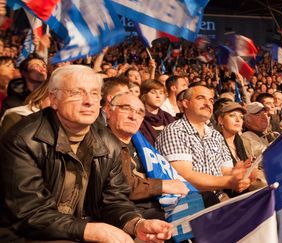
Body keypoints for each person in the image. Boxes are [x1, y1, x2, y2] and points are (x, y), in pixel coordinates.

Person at [0, 65, 171, 242]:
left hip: (79, 229)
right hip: (26, 235)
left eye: (95, 94)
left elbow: (114, 199)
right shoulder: (24, 140)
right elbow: (29, 213)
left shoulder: (108, 142)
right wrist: (91, 230)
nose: (89, 101)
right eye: (77, 93)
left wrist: (136, 224)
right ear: (54, 99)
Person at [156, 85, 250, 199]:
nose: (208, 103)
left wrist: (241, 174)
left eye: (211, 100)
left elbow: (225, 171)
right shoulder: (175, 131)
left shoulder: (216, 135)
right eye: (201, 98)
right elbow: (184, 176)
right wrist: (229, 181)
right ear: (185, 103)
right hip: (188, 201)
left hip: (217, 198)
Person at [106, 93, 189, 219]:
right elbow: (120, 185)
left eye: (139, 113)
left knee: (205, 199)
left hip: (156, 203)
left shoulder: (141, 144)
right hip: (129, 211)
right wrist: (163, 185)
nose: (133, 116)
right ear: (108, 111)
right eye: (126, 108)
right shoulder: (103, 143)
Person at [139, 80, 175, 146]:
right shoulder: (138, 118)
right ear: (144, 95)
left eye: (161, 93)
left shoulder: (169, 118)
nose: (158, 96)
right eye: (153, 92)